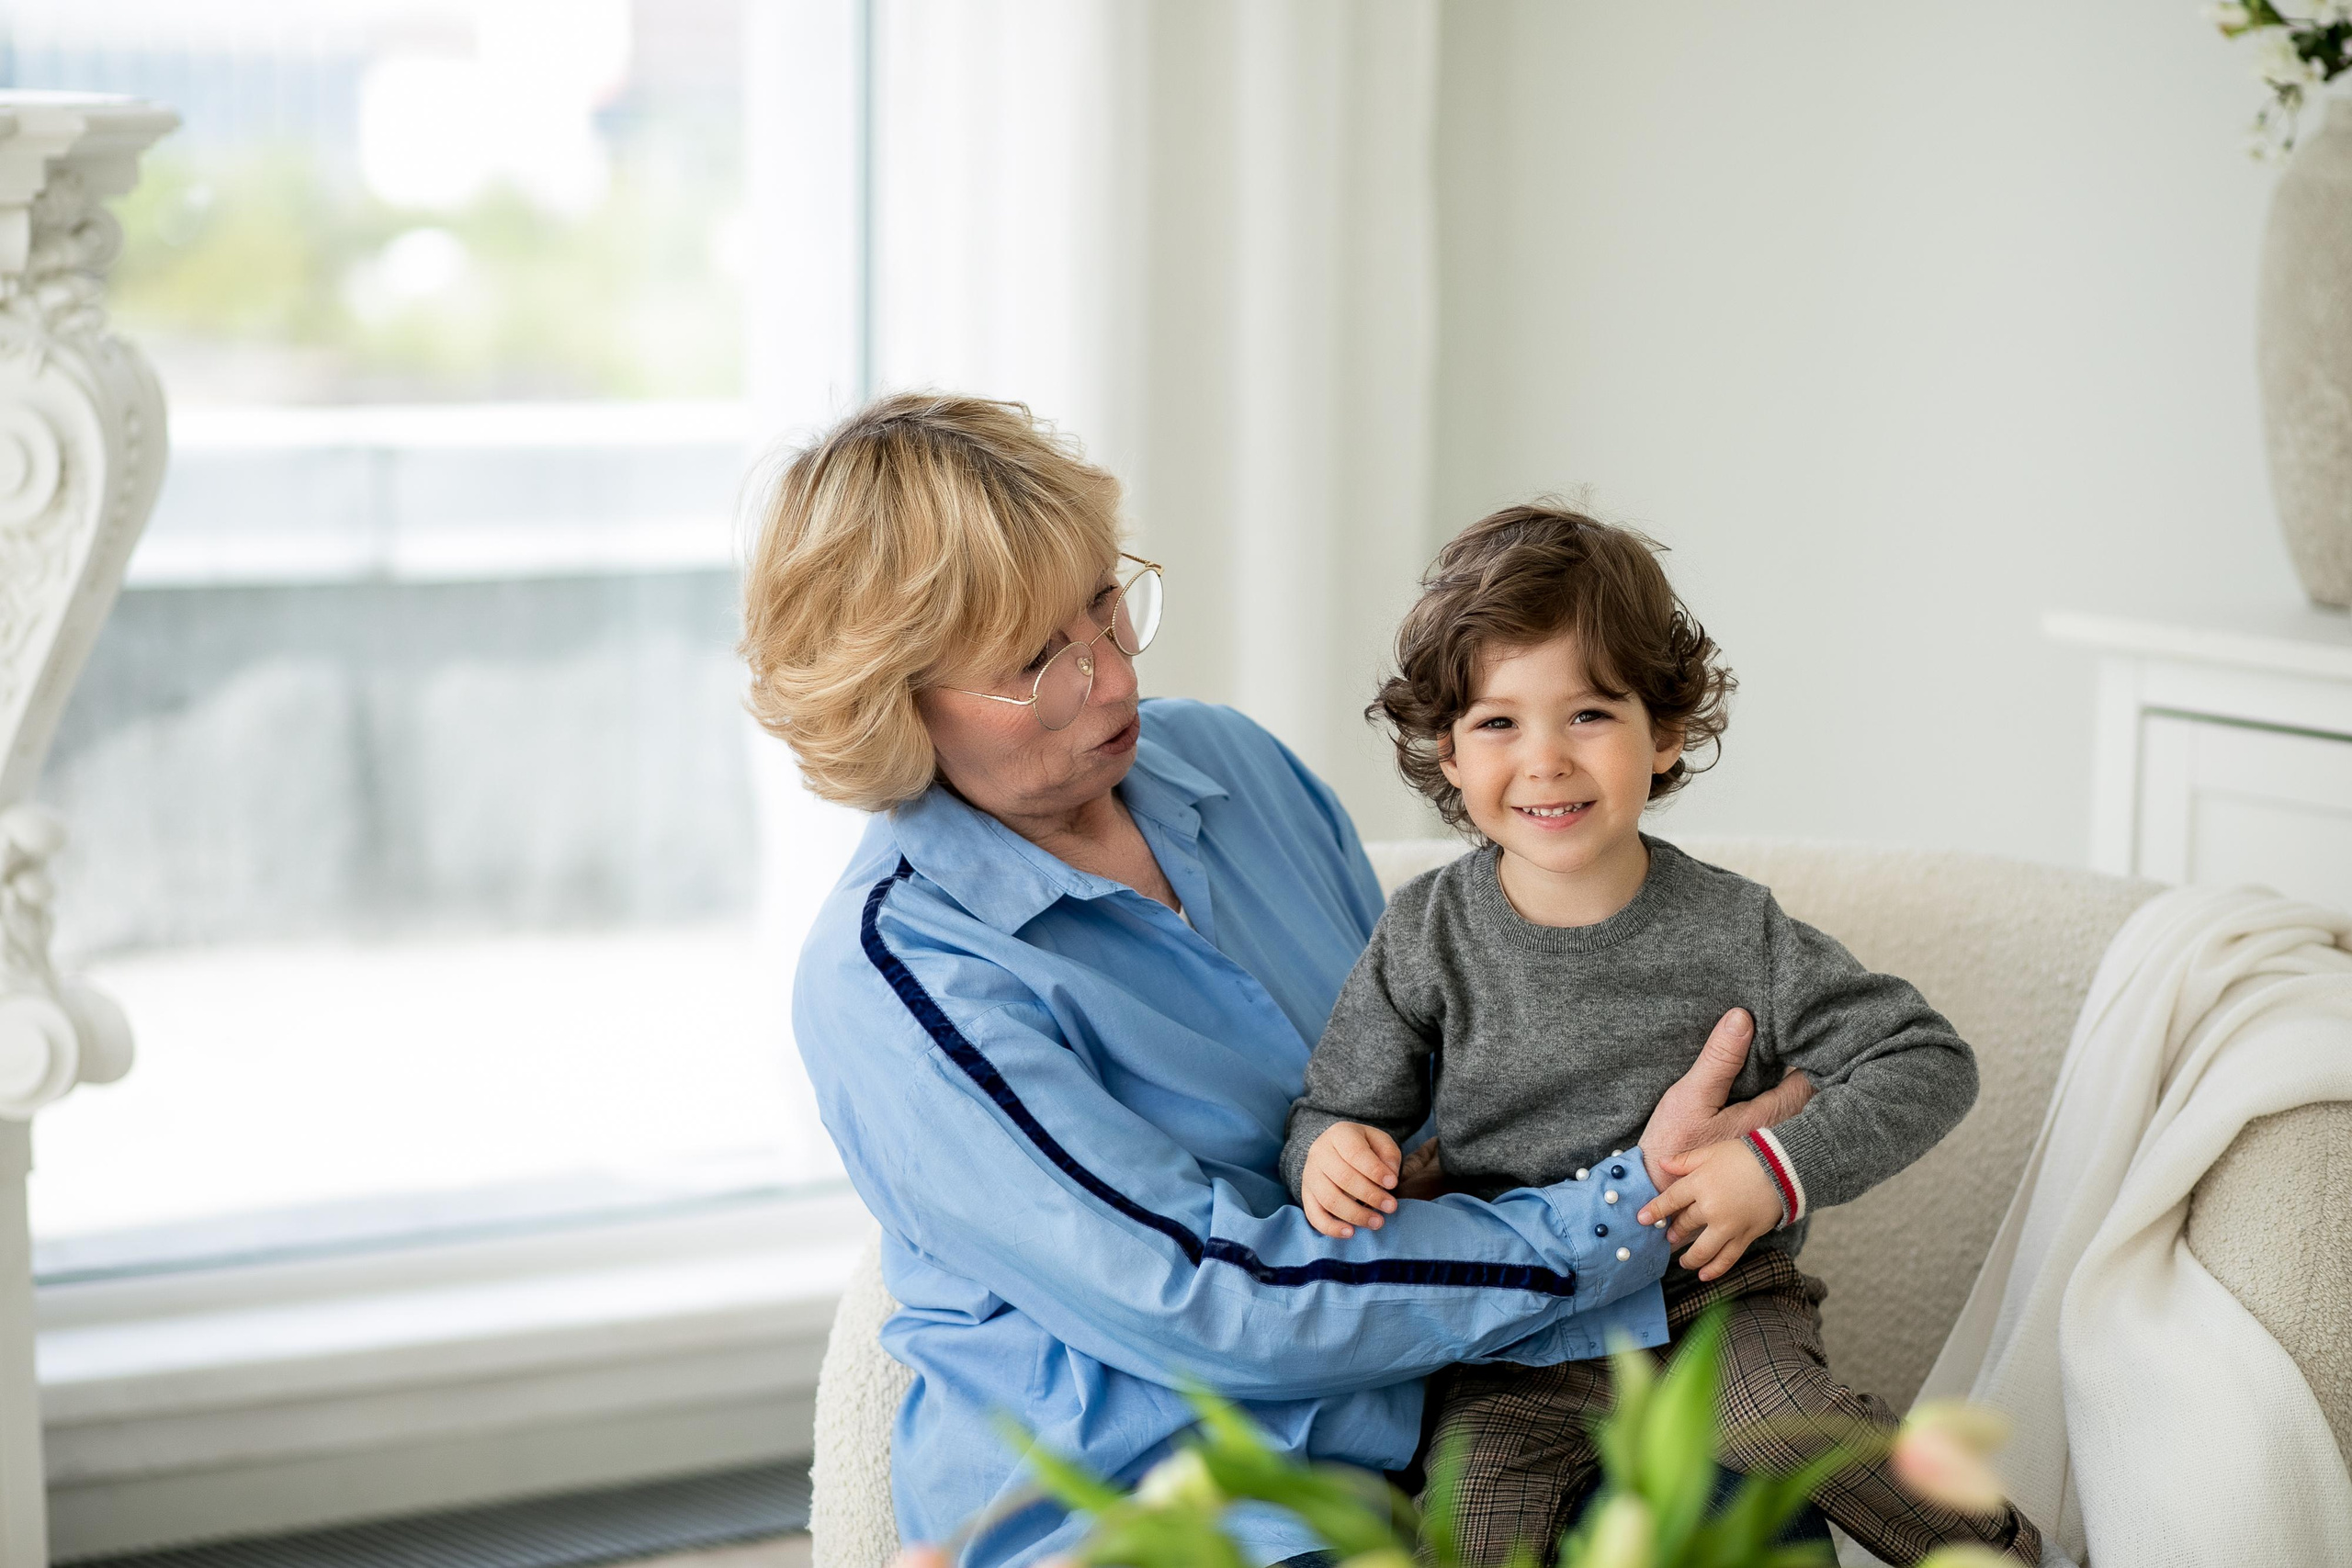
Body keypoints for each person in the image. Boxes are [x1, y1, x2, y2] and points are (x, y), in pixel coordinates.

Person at [743, 394, 1813, 1568]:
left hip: (1435, 1414)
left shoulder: (1232, 766)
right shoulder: (899, 976)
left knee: (1747, 1507)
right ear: (888, 702)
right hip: (1157, 1505)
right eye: (1036, 662)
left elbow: (1433, 1092)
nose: (1109, 682)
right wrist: (1623, 1210)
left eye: (1106, 603)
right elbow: (1209, 1300)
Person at [1283, 504, 2043, 1565]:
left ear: (1666, 732)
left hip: (1713, 1305)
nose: (1543, 761)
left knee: (1780, 1423)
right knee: (1464, 1527)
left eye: (1588, 714)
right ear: (1447, 753)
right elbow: (1335, 1110)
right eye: (1498, 724)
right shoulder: (1424, 931)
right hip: (1515, 1331)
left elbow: (1925, 1061)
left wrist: (1771, 1172)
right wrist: (1334, 1154)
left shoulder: (1738, 931)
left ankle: (2002, 1547)